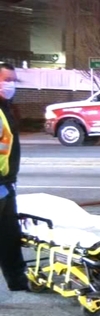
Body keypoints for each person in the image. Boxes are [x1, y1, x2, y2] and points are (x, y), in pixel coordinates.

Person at [0, 62, 28, 291]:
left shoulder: (7, 107)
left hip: (6, 183)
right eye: (5, 80)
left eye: (12, 80)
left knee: (9, 235)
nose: (10, 85)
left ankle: (18, 280)